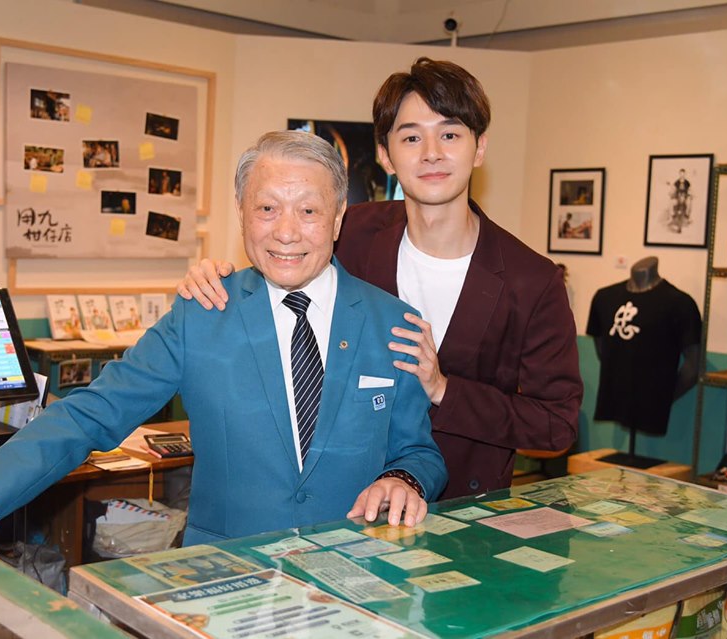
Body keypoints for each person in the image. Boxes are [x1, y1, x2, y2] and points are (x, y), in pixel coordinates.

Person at [0, 131, 447, 547]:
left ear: (338, 217)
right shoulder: (203, 313)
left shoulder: (393, 323)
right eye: (267, 208)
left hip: (353, 570)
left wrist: (403, 478)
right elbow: (93, 412)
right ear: (242, 213)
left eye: (308, 211)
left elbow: (419, 452)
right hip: (226, 578)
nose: (286, 232)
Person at [176, 58, 582, 499]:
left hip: (461, 511)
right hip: (339, 502)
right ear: (386, 156)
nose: (431, 152)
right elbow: (279, 264)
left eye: (450, 134)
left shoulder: (531, 280)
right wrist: (215, 279)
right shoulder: (348, 232)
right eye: (411, 137)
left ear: (479, 147)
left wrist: (443, 389)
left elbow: (556, 426)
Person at [586, 256, 700, 439]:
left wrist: (662, 398)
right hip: (616, 398)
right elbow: (602, 350)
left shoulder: (680, 304)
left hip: (652, 402)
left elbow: (694, 367)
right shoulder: (604, 298)